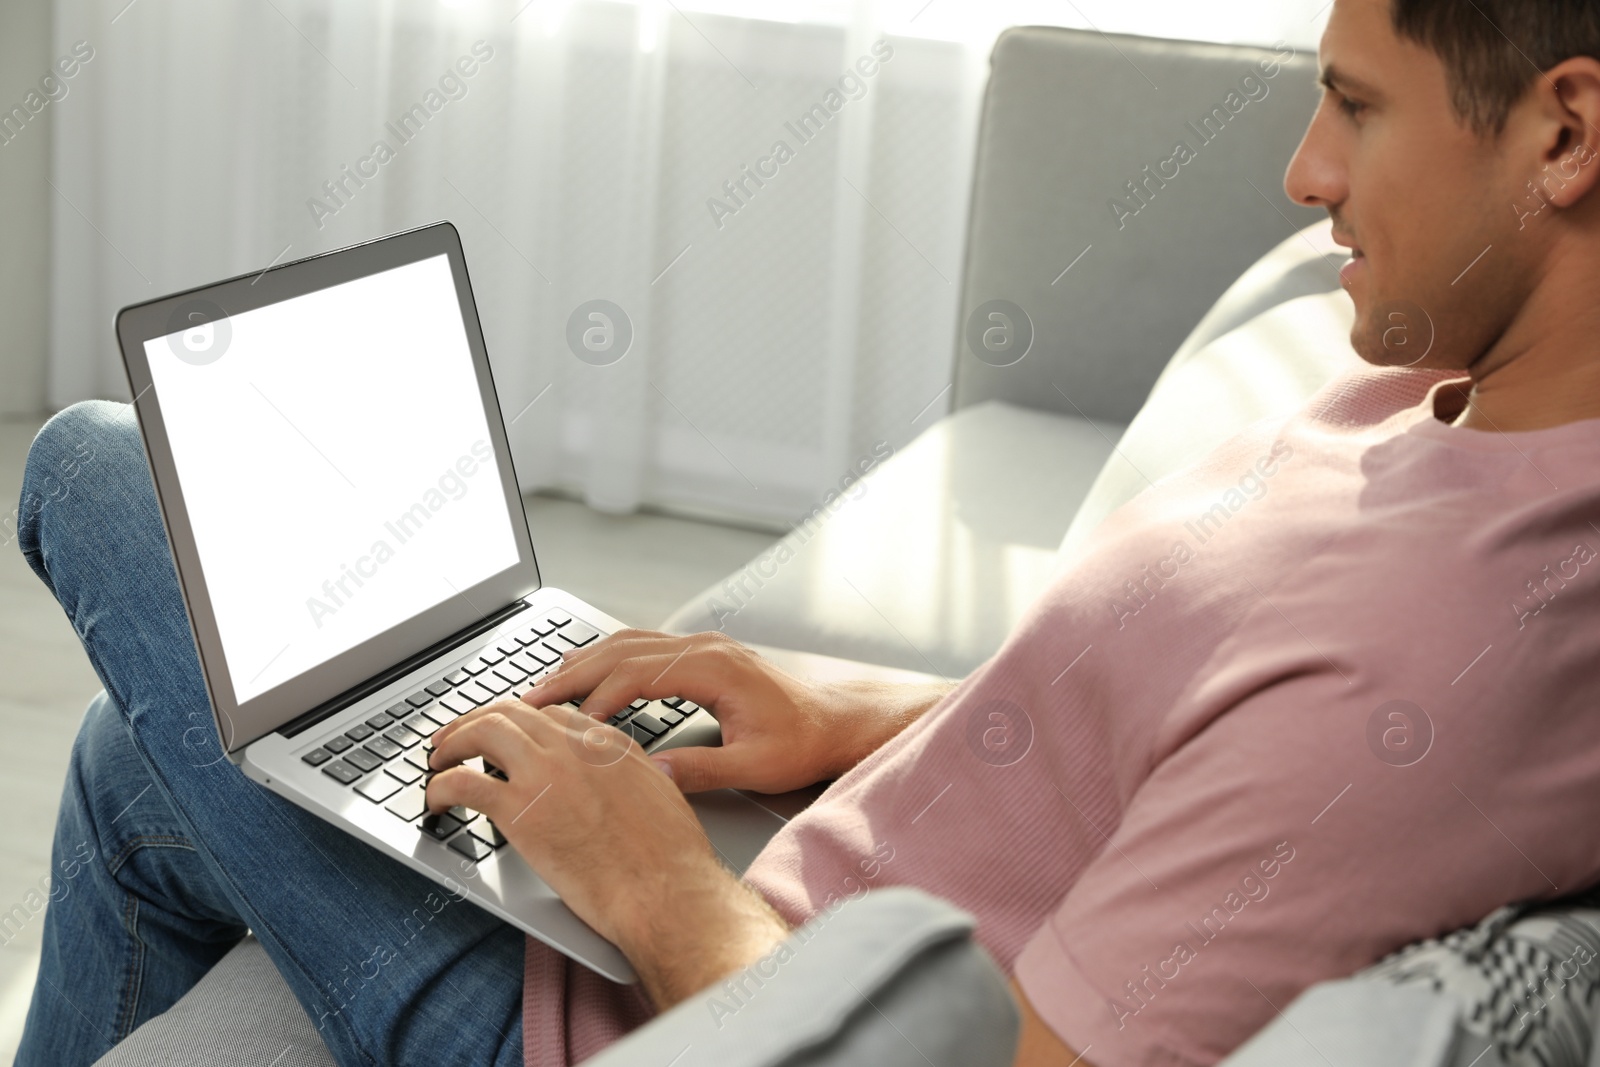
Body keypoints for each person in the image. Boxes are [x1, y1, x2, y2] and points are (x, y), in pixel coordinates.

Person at [17, 0, 1600, 1064]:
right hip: (765, 884)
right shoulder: (1467, 401)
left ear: (1565, 133)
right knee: (134, 762)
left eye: (1355, 106)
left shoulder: (1448, 655)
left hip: (665, 1017)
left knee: (94, 467)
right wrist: (874, 712)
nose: (1305, 172)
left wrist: (656, 892)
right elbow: (1194, 734)